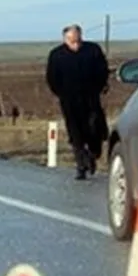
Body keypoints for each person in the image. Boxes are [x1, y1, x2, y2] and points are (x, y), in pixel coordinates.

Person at [45, 24, 110, 180]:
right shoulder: (57, 55)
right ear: (65, 39)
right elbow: (52, 77)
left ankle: (93, 153)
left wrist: (100, 87)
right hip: (69, 100)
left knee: (95, 128)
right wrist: (61, 93)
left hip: (91, 97)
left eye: (78, 40)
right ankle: (81, 165)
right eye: (72, 40)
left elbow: (103, 70)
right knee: (75, 133)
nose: (76, 44)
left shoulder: (92, 50)